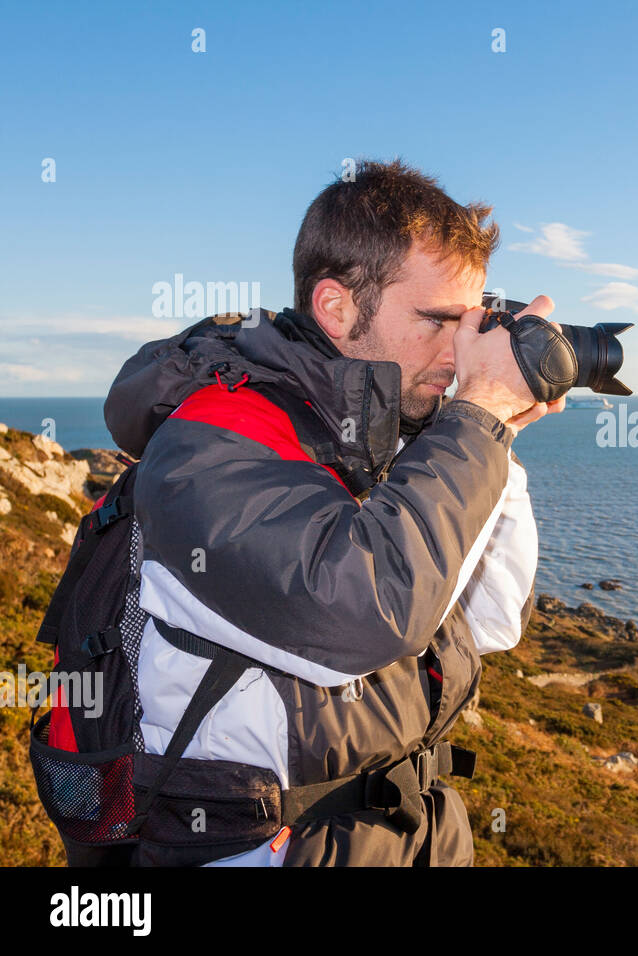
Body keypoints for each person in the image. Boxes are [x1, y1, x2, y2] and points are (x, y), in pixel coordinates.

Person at [102, 158, 561, 865]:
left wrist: (501, 433)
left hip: (411, 833)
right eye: (438, 320)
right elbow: (363, 612)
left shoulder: (373, 433)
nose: (458, 350)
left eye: (469, 323)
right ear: (337, 306)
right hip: (262, 844)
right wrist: (478, 416)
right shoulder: (212, 442)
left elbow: (490, 620)